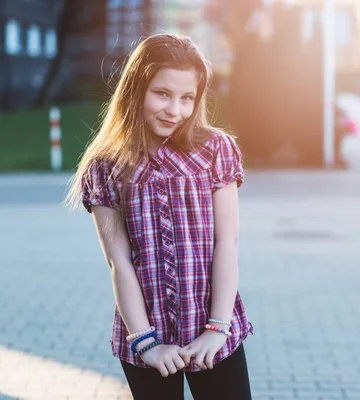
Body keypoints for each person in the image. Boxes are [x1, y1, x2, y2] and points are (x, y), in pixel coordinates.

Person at [64, 33, 253, 399]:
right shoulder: (107, 165)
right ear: (136, 89)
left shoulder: (215, 150)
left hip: (214, 330)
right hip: (145, 336)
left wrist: (217, 328)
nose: (175, 110)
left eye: (187, 98)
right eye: (162, 94)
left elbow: (226, 243)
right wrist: (146, 344)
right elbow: (118, 261)